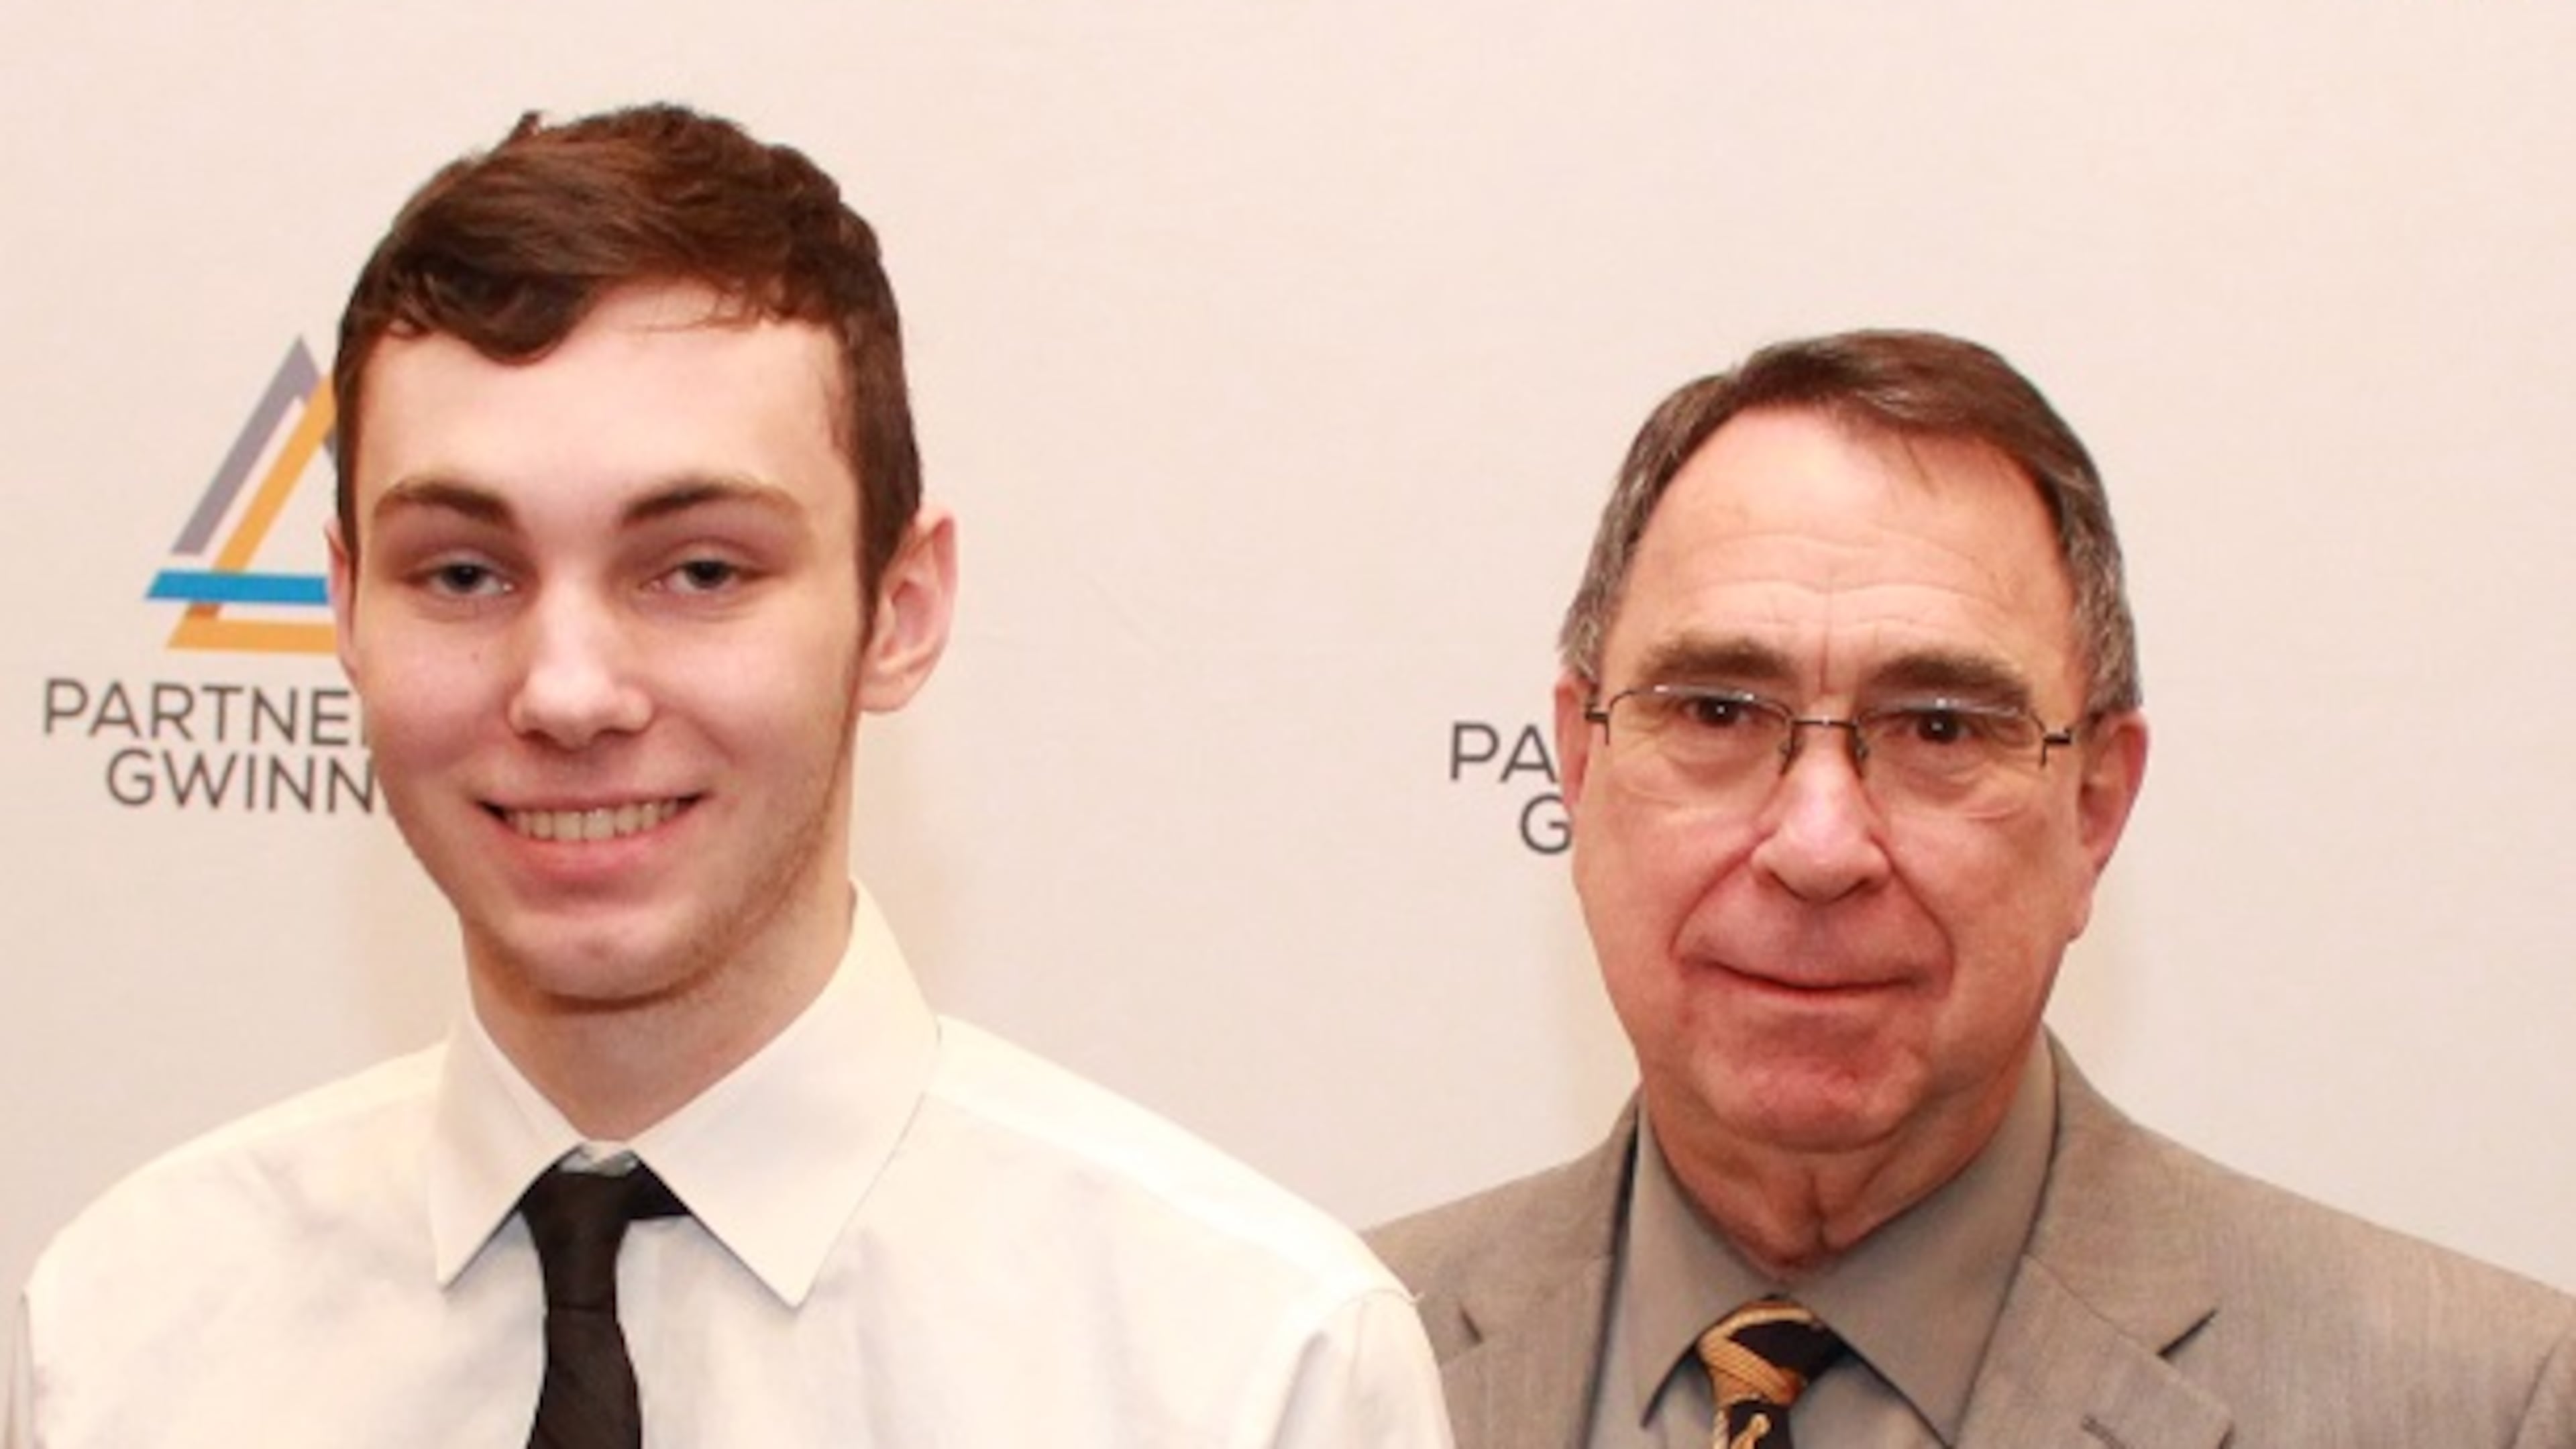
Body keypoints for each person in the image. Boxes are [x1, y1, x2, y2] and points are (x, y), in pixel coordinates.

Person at [11, 104, 1451, 1448]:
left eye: (698, 570)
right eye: (463, 572)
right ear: (346, 608)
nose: (568, 690)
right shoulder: (128, 1330)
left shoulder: (1248, 1372)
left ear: (900, 607)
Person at [1368, 329, 2575, 1446]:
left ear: (2096, 807)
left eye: (1940, 728)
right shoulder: (1315, 1371)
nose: (1819, 844)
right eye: (1719, 712)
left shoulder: (2472, 1402)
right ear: (1579, 768)